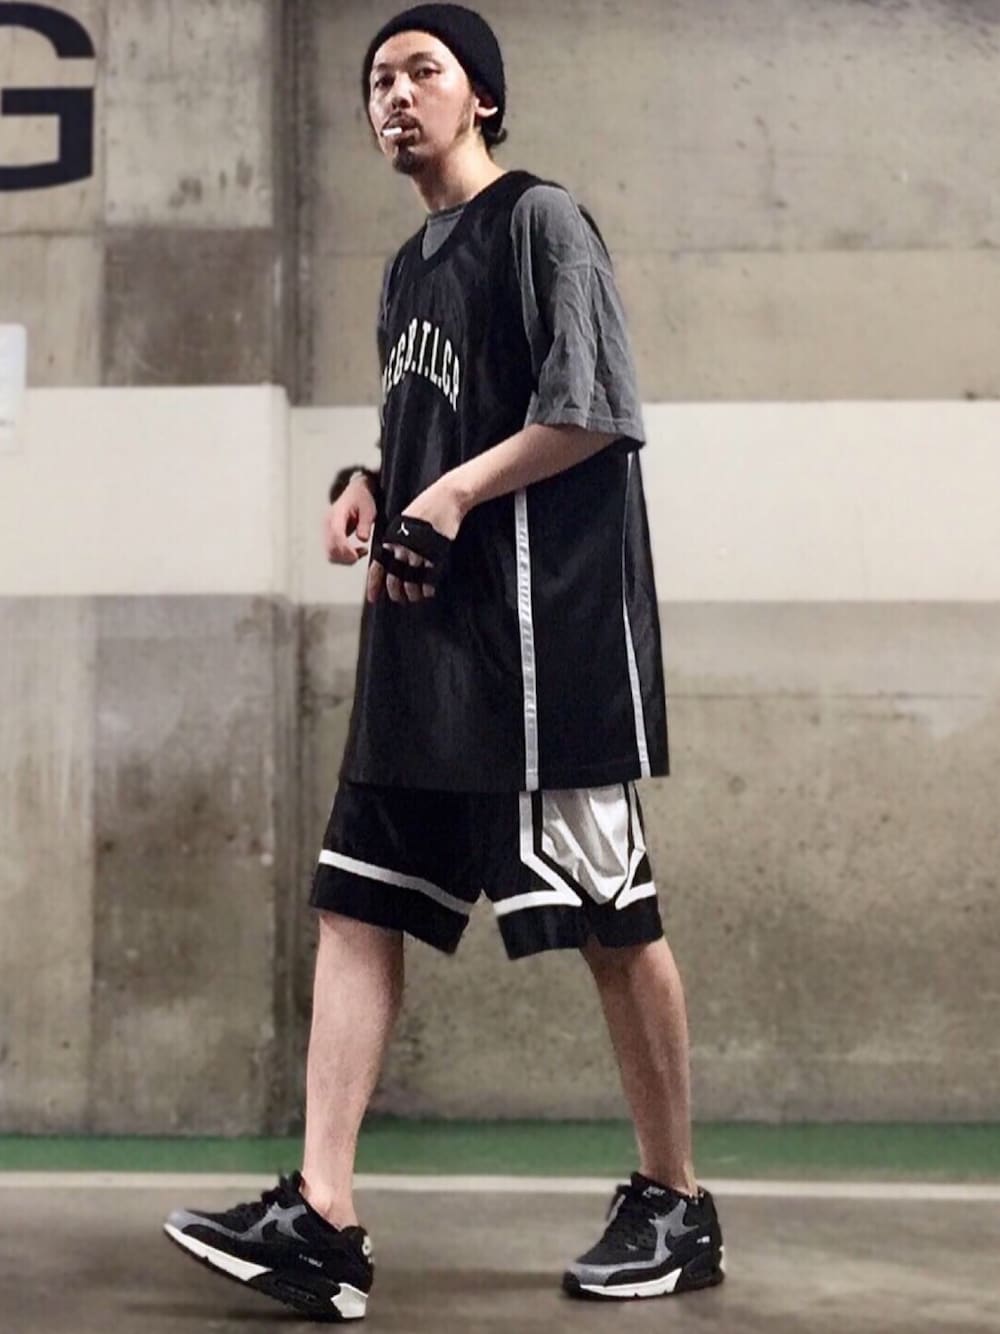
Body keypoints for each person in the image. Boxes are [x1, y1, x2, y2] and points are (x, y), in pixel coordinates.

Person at [163, 3, 724, 1320]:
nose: (395, 94)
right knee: (358, 904)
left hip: (541, 652)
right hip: (426, 654)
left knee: (613, 920)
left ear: (483, 97)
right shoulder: (408, 270)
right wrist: (372, 480)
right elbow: (431, 432)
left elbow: (595, 410)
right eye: (378, 79)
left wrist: (457, 491)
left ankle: (676, 1201)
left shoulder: (541, 221)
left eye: (423, 70)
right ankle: (323, 1212)